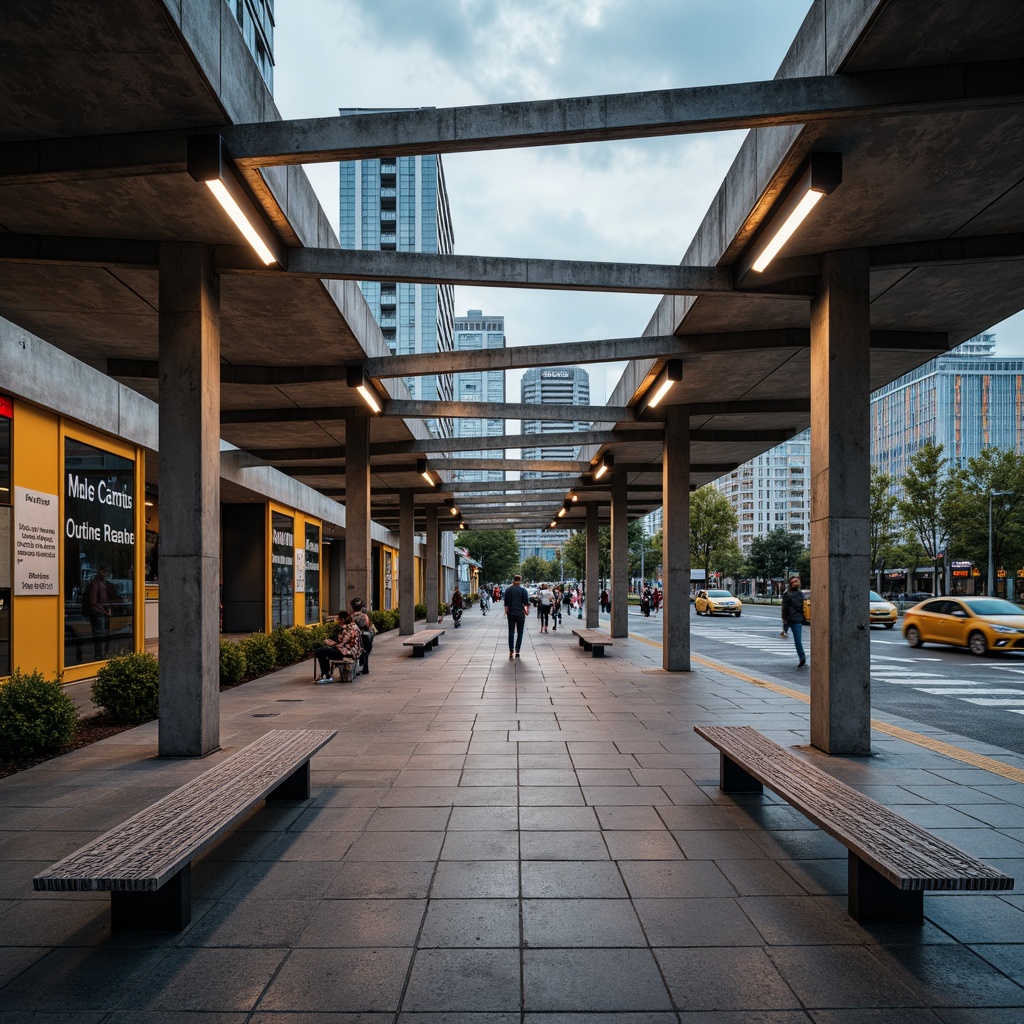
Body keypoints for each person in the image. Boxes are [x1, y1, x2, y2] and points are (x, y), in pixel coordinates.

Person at [314, 610, 362, 683]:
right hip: (353, 652)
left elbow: (342, 644)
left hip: (347, 654)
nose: (338, 621)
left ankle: (326, 675)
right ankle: (326, 674)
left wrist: (331, 643)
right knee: (324, 650)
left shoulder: (347, 629)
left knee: (320, 651)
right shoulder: (354, 626)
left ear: (342, 620)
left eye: (338, 619)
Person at [83, 565, 115, 660]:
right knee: (100, 636)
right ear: (99, 571)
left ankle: (104, 654)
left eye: (105, 572)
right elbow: (93, 601)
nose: (104, 573)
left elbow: (108, 598)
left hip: (103, 611)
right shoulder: (94, 583)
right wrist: (105, 611)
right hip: (98, 613)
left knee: (105, 636)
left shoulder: (104, 583)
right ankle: (99, 655)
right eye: (102, 571)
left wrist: (108, 609)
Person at [781, 575, 808, 667]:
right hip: (798, 619)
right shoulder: (801, 594)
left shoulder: (787, 594)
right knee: (798, 640)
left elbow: (785, 608)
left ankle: (784, 631)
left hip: (789, 618)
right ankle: (802, 656)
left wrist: (784, 620)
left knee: (784, 632)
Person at [503, 573, 530, 658]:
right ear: (520, 581)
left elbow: (506, 603)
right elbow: (526, 603)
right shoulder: (523, 590)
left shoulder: (508, 590)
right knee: (520, 632)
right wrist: (526, 611)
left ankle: (511, 649)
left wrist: (506, 611)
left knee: (511, 632)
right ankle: (517, 649)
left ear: (513, 580)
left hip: (511, 613)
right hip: (520, 613)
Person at [350, 597, 374, 675]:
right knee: (365, 652)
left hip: (357, 636)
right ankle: (365, 667)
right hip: (367, 637)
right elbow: (367, 625)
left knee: (356, 652)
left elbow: (351, 627)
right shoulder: (365, 616)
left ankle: (356, 670)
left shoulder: (351, 617)